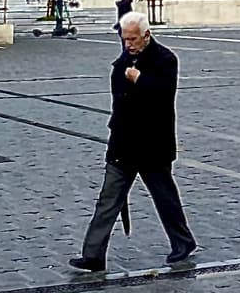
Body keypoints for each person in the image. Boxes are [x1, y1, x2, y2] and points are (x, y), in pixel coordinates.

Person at [70, 14, 197, 271]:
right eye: (124, 39)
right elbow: (118, 100)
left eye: (132, 39)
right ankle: (93, 255)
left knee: (165, 198)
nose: (128, 44)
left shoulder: (165, 59)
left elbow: (163, 96)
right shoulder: (123, 60)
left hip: (153, 145)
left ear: (146, 35)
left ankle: (183, 242)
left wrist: (139, 79)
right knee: (108, 200)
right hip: (123, 143)